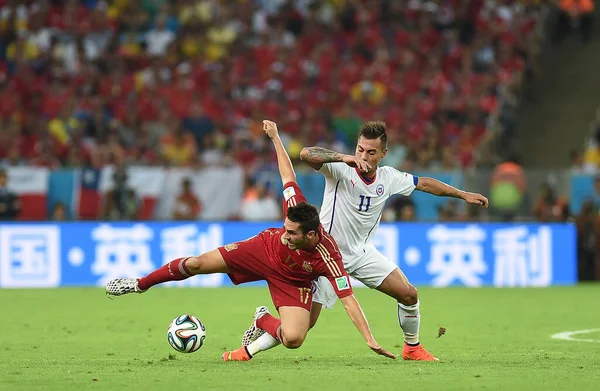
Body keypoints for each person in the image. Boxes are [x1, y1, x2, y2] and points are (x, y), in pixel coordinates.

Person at [105, 120, 396, 362]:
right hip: (260, 251)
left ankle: (261, 319)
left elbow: (349, 299)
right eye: (286, 227)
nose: (286, 234)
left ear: (311, 235)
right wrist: (276, 138)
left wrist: (369, 339)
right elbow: (287, 174)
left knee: (294, 338)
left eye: (292, 234)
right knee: (195, 263)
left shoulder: (327, 255)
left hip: (292, 280)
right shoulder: (294, 209)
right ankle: (139, 284)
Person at [243, 121, 489, 362]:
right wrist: (342, 158)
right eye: (360, 149)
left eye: (371, 152)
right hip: (324, 256)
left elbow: (423, 183)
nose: (364, 156)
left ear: (383, 154)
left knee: (409, 294)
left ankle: (412, 348)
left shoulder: (388, 177)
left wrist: (463, 194)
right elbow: (307, 154)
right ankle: (262, 319)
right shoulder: (339, 169)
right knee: (302, 329)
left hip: (361, 254)